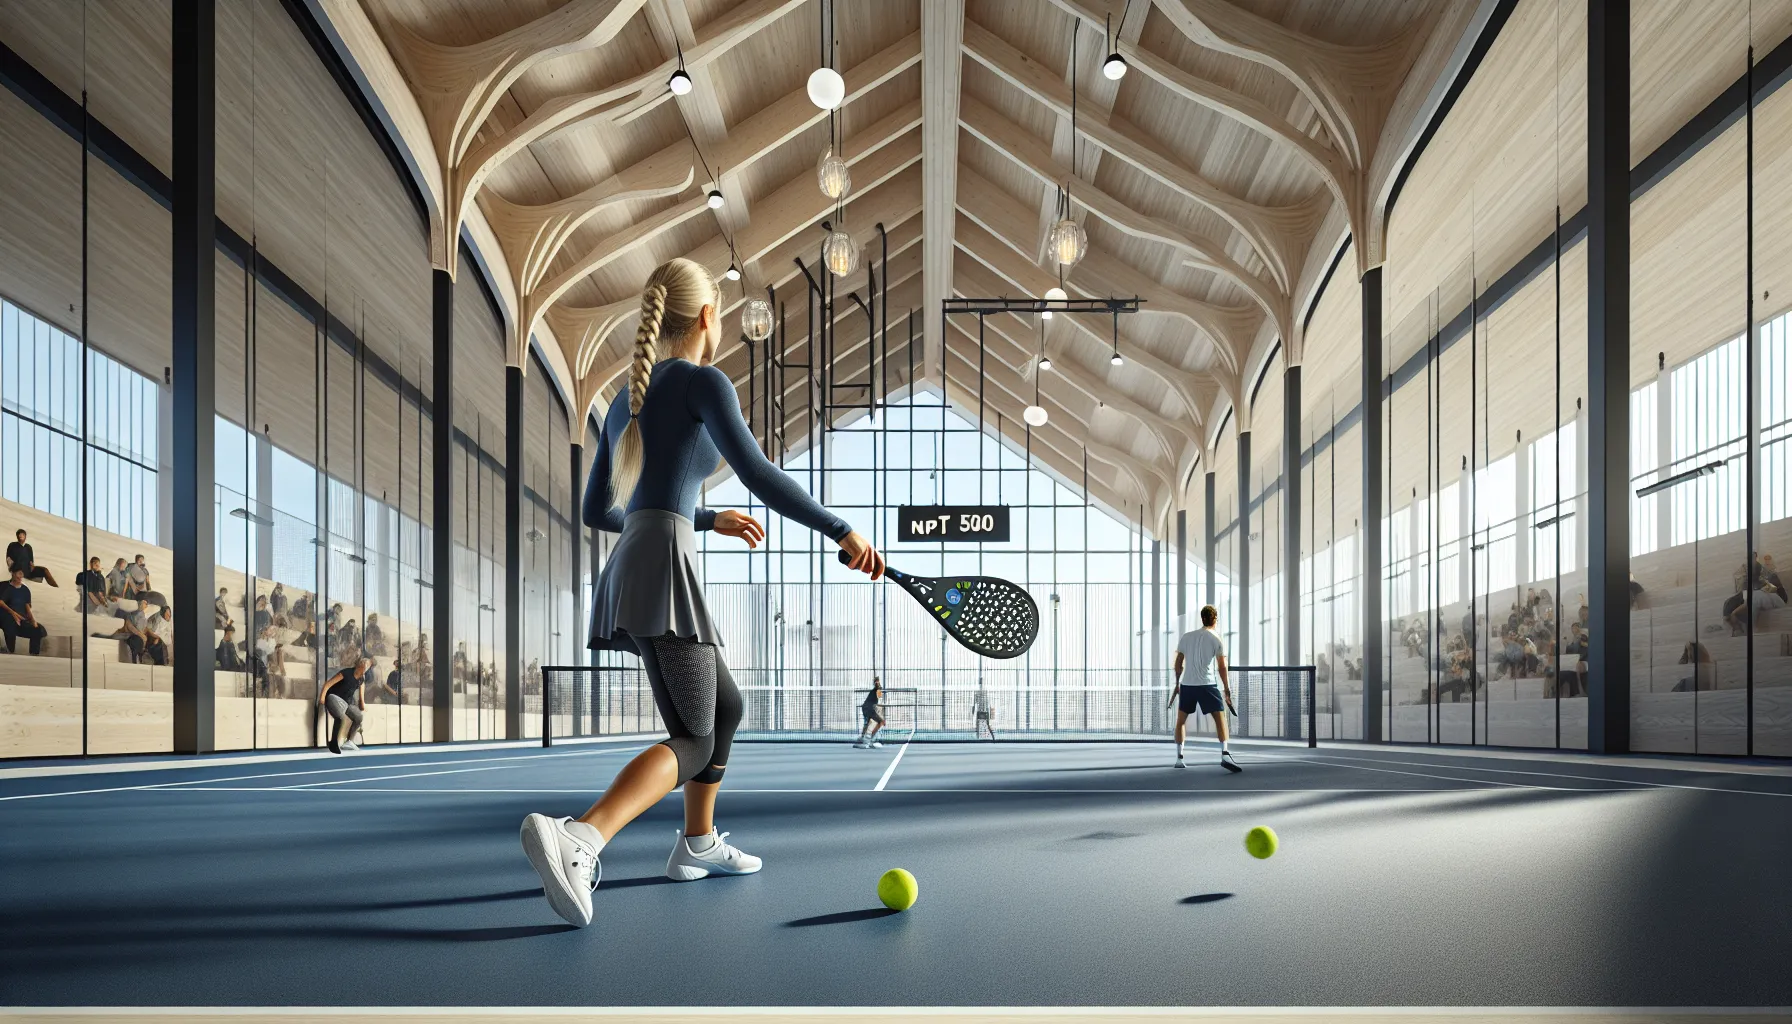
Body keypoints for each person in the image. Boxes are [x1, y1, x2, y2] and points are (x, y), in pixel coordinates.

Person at [519, 257, 884, 929]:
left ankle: (696, 843)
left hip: (636, 561)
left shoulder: (626, 397)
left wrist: (705, 518)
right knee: (693, 735)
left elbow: (599, 511)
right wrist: (840, 527)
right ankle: (582, 836)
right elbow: (757, 470)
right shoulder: (703, 381)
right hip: (662, 566)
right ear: (710, 317)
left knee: (728, 706)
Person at [1170, 604, 1240, 772]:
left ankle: (1179, 758)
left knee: (1181, 721)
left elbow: (1178, 663)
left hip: (1188, 685)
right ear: (1215, 619)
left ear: (1202, 618)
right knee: (1220, 718)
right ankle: (1225, 754)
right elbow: (1222, 667)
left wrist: (1177, 682)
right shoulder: (1216, 638)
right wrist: (1227, 689)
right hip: (1208, 685)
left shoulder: (1186, 637)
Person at [319, 656, 372, 754]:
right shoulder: (346, 673)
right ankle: (333, 743)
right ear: (360, 665)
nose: (367, 669)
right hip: (333, 697)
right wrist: (322, 698)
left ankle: (349, 742)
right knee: (340, 717)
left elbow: (361, 696)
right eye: (366, 666)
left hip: (346, 702)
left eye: (368, 667)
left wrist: (362, 706)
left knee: (358, 717)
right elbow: (327, 684)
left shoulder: (361, 679)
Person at [0, 566, 48, 655]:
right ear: (13, 573)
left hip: (21, 620)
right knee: (10, 622)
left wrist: (33, 620)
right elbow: (1, 602)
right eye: (18, 573)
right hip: (6, 618)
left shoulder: (25, 590)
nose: (20, 576)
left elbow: (27, 607)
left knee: (37, 629)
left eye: (22, 574)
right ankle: (10, 651)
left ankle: (34, 655)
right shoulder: (4, 586)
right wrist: (14, 614)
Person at [854, 676, 885, 748]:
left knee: (867, 723)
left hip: (867, 708)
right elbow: (879, 694)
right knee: (881, 722)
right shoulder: (877, 689)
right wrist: (877, 683)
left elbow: (879, 698)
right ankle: (870, 739)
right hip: (868, 709)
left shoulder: (875, 690)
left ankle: (862, 738)